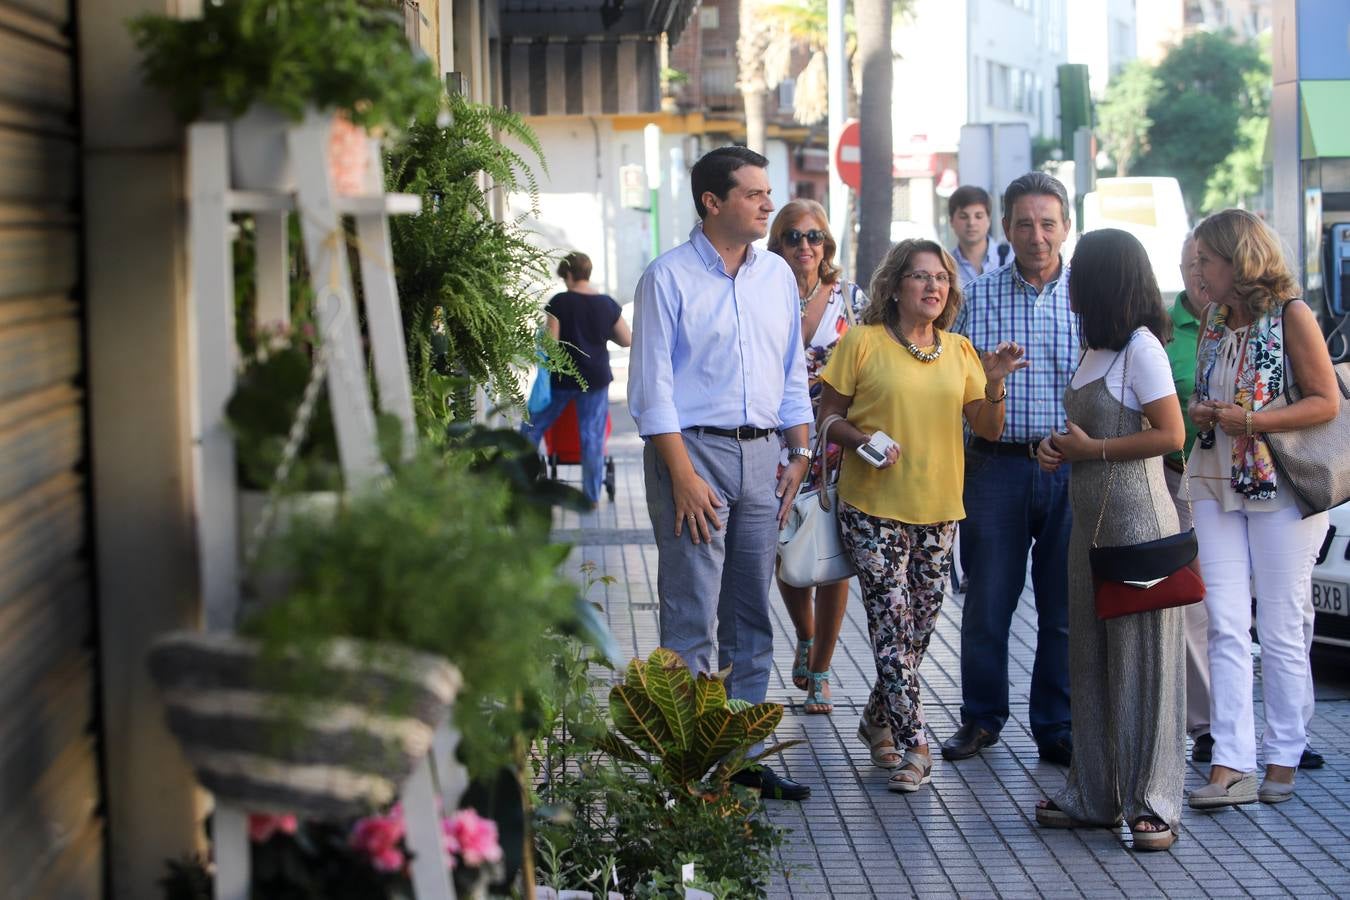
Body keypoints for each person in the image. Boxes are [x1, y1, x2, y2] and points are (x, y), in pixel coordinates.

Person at [627, 146, 814, 801]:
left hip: (764, 458)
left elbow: (791, 371)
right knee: (690, 619)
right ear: (713, 202)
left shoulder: (776, 279)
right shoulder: (668, 277)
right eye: (754, 194)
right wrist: (679, 474)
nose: (769, 204)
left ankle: (738, 758)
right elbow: (651, 388)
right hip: (693, 454)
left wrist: (801, 452)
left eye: (768, 192)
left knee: (749, 618)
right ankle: (686, 765)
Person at [817, 238, 1025, 791]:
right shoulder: (860, 343)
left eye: (941, 278)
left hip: (939, 508)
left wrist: (996, 380)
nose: (933, 286)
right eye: (920, 276)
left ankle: (875, 721)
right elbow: (827, 419)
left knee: (918, 633)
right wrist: (862, 441)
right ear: (895, 286)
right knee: (891, 627)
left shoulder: (959, 351)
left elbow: (988, 428)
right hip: (872, 507)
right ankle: (916, 746)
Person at [1033, 228, 1187, 852]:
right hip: (1089, 524)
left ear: (1102, 280)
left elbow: (1170, 433)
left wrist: (1089, 450)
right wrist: (1055, 448)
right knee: (1091, 662)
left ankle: (1153, 802)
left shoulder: (1141, 348)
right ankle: (1093, 794)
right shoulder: (1094, 345)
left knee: (1144, 664)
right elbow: (1088, 431)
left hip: (1136, 526)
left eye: (1076, 272)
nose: (1066, 281)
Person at [1184, 209, 1338, 809]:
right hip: (1216, 475)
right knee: (1223, 619)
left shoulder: (1291, 315)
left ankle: (1284, 754)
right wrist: (1207, 411)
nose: (1198, 273)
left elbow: (1325, 401)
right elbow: (1213, 394)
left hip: (1281, 483)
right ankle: (1229, 760)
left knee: (1279, 620)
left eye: (1206, 262)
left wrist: (1250, 419)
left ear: (1238, 260)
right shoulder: (1213, 321)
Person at [942, 172, 1080, 767]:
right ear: (1006, 229)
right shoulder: (975, 299)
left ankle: (1057, 726)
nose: (1037, 235)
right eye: (1024, 223)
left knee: (1064, 610)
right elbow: (951, 386)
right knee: (987, 605)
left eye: (1048, 223)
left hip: (1072, 470)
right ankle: (980, 719)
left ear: (1066, 227)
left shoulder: (1089, 298)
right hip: (994, 468)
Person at [765, 199, 865, 715]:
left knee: (831, 553)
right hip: (777, 437)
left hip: (832, 438)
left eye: (814, 236)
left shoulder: (851, 298)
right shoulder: (761, 289)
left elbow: (875, 360)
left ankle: (822, 668)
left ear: (827, 244)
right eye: (792, 236)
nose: (805, 246)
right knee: (785, 542)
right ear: (777, 243)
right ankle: (804, 636)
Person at [522, 252, 631, 507]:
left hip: (562, 379)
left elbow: (551, 343)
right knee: (592, 436)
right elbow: (626, 339)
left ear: (569, 275)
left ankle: (521, 485)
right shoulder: (607, 304)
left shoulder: (560, 302)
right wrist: (599, 334)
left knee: (531, 427)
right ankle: (591, 497)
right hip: (595, 379)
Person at [1163, 233, 1214, 761]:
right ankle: (1207, 727)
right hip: (1180, 480)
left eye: (1208, 263)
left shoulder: (1254, 320)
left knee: (1256, 607)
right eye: (1191, 264)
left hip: (1247, 484)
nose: (1200, 274)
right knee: (1195, 604)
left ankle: (1289, 734)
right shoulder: (1160, 328)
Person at [948, 185, 1011, 289]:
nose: (971, 223)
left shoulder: (1010, 257)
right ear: (951, 221)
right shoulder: (946, 265)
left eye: (978, 216)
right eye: (963, 216)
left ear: (988, 220)